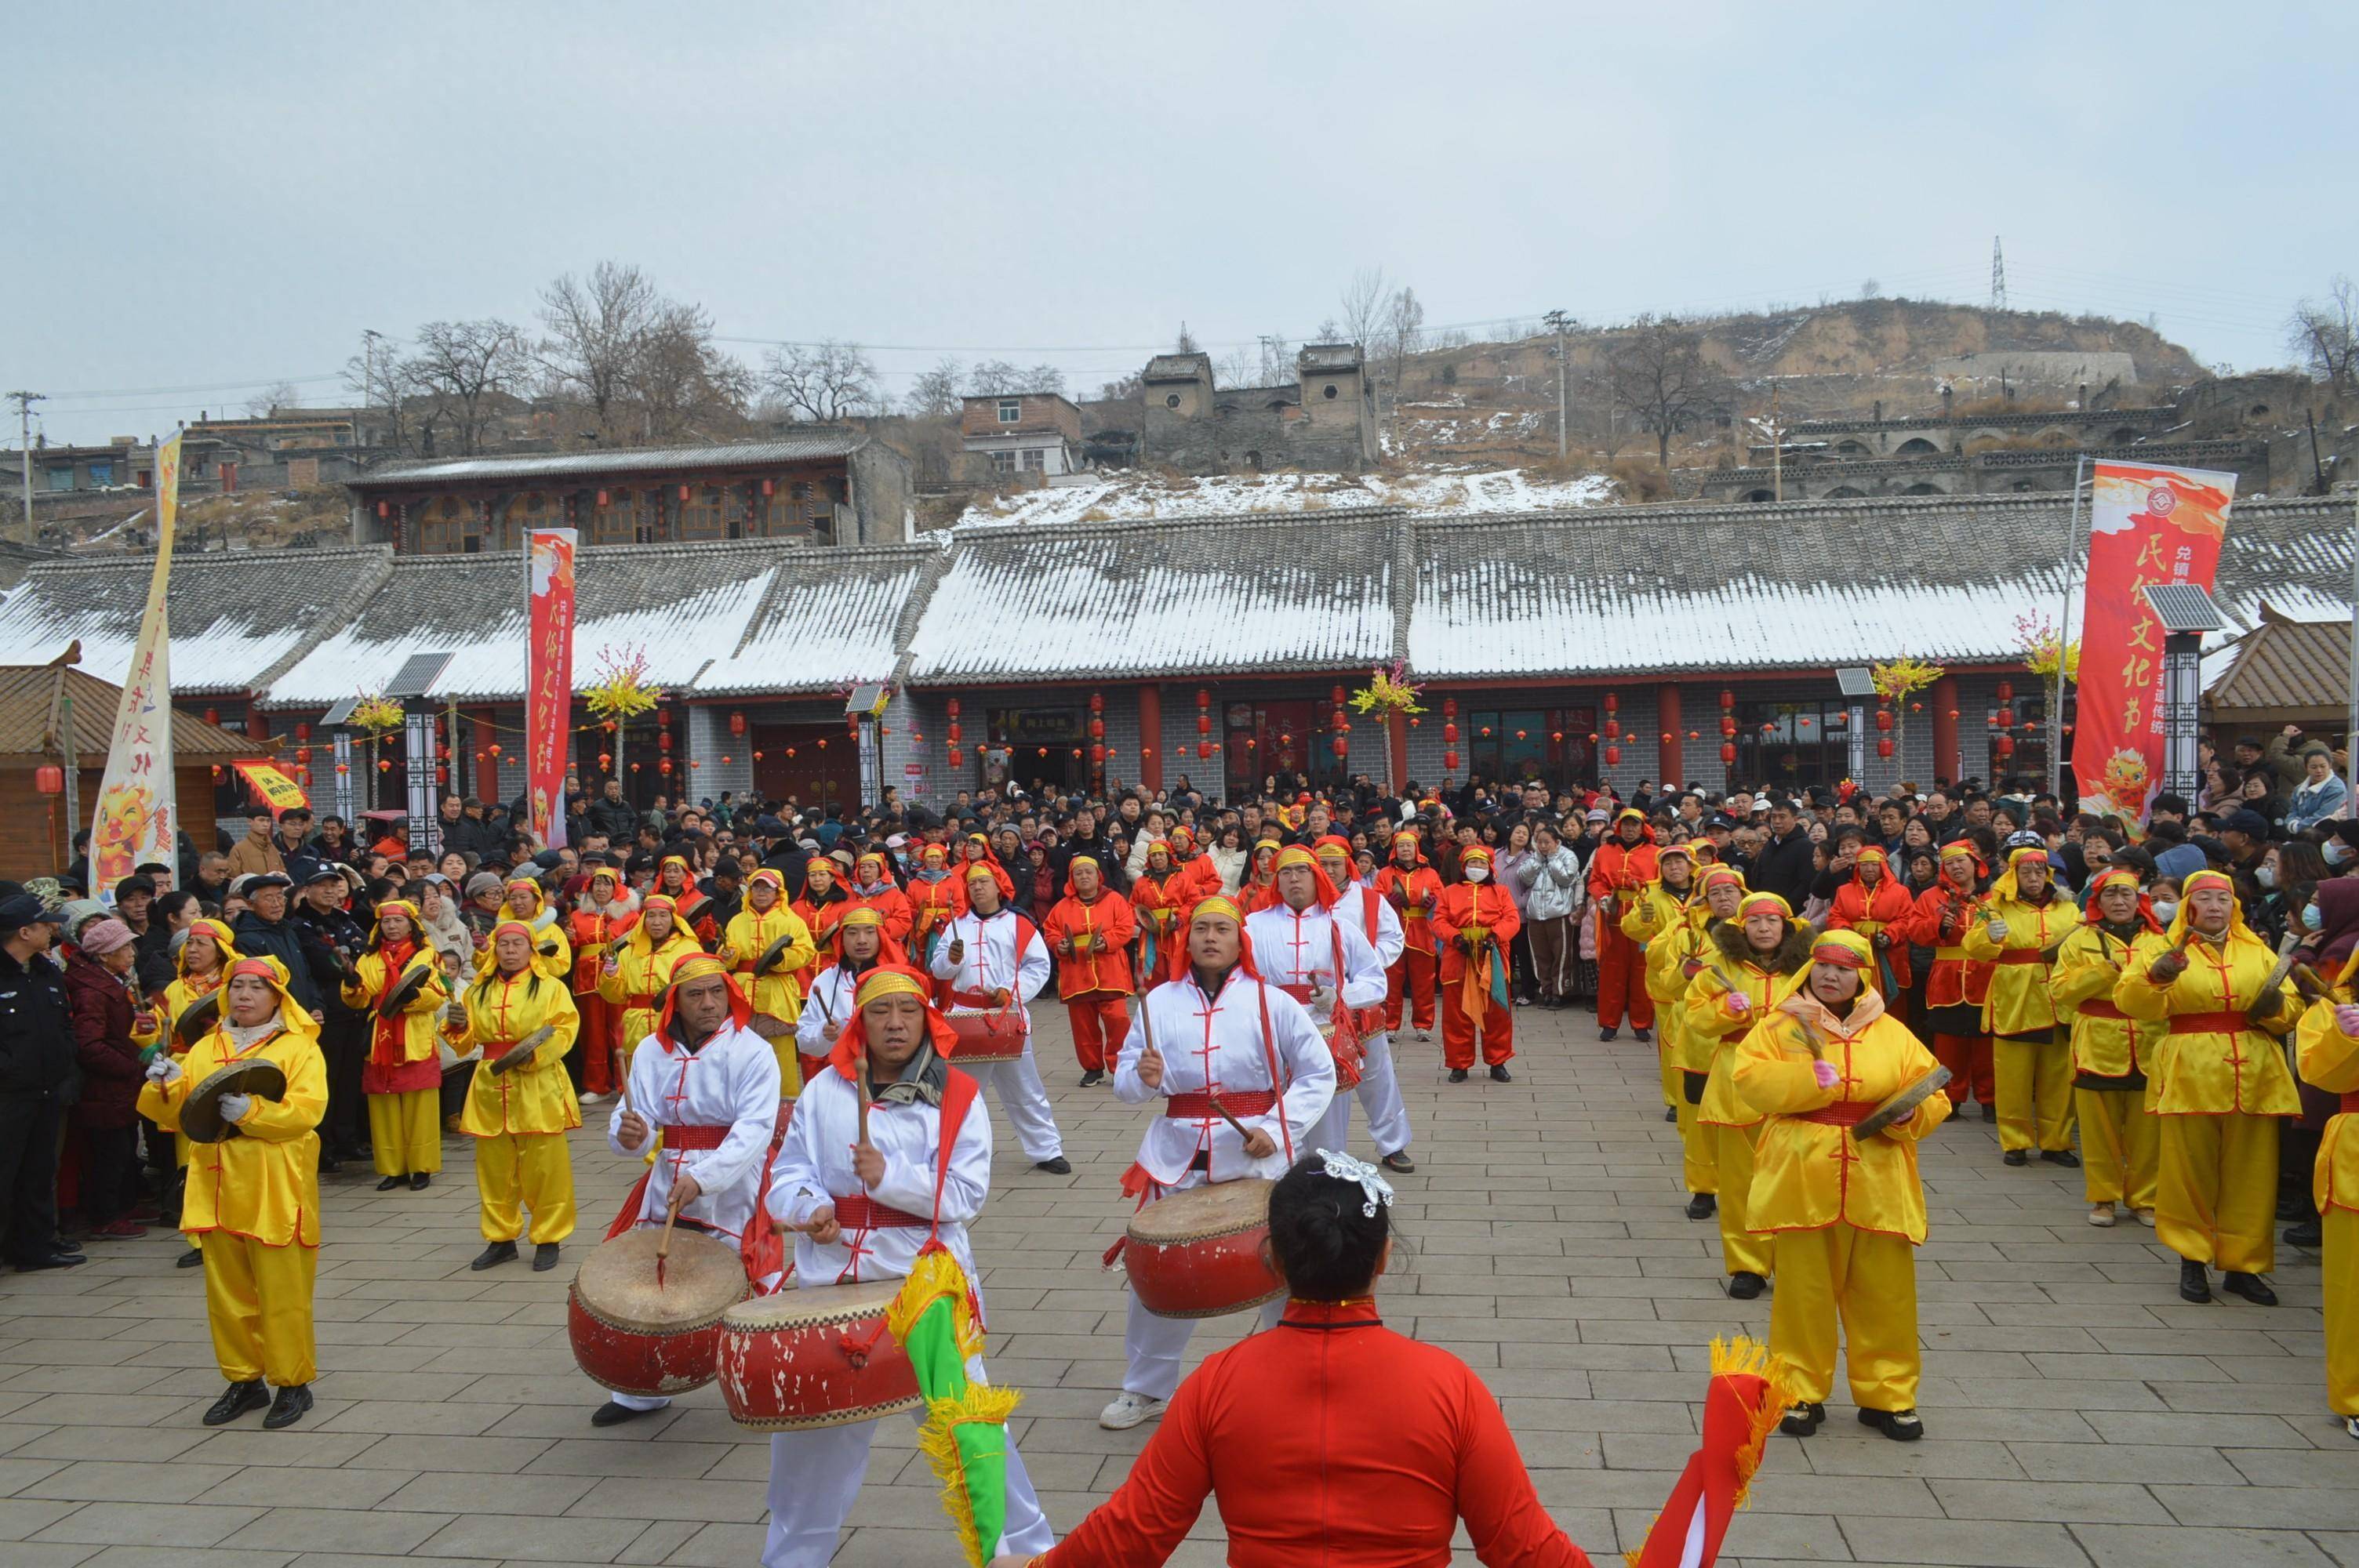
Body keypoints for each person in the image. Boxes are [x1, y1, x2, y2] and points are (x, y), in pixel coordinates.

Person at [1006, 1151, 1594, 1568]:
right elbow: (1522, 1547)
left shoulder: (1218, 1383)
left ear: (1273, 1263)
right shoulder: (1450, 1386)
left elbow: (1133, 1538)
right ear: (1384, 1258)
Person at [760, 963, 1057, 1568]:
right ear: (859, 1023)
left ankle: (1021, 1552)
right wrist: (808, 1207)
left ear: (927, 1019)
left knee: (968, 1426)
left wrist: (888, 1179)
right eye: (879, 1012)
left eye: (908, 1012)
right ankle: (792, 1558)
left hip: (927, 1286)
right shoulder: (823, 1090)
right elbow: (786, 1174)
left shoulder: (961, 1094)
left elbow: (966, 1197)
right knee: (811, 1440)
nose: (895, 1025)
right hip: (832, 1286)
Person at [1100, 896, 1336, 1432]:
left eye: (1221, 929)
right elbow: (1125, 1087)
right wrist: (1145, 1077)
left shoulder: (1271, 1001)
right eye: (1201, 929)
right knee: (1160, 1273)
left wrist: (1276, 1129)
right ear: (1187, 940)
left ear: (1239, 941)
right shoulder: (1158, 1002)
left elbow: (1317, 1071)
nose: (1210, 937)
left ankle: (1296, 1383)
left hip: (1258, 1157)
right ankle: (1145, 1388)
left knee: (1279, 1271)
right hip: (1175, 1156)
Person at [1732, 929, 1949, 1443]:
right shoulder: (1780, 1026)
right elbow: (1749, 1079)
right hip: (1804, 1173)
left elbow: (1933, 1089)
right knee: (1802, 1296)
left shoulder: (1893, 1033)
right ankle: (1797, 1392)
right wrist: (1811, 1083)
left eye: (1844, 969)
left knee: (1887, 1296)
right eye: (1824, 966)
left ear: (1863, 976)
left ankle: (1889, 1395)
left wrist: (1908, 1117)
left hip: (1879, 1175)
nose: (1831, 976)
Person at [137, 955, 326, 1428]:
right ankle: (244, 1381)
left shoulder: (300, 1048)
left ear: (278, 997)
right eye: (237, 986)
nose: (244, 995)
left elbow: (307, 1112)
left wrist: (253, 1111)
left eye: (255, 988)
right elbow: (175, 1114)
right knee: (227, 1294)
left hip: (273, 1184)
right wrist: (165, 1086)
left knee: (282, 1291)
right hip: (215, 1182)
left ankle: (292, 1382)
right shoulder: (205, 1047)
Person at [594, 953, 781, 1426]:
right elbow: (631, 1114)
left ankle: (760, 1382)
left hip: (731, 1183)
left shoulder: (752, 1050)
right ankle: (642, 1390)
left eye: (717, 992)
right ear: (675, 1003)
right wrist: (627, 1134)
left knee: (742, 1281)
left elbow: (755, 1128)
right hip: (666, 1176)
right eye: (696, 995)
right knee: (653, 1275)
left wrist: (704, 1178)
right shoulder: (650, 1052)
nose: (709, 1004)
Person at [2114, 869, 2300, 1305]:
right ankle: (2191, 1257)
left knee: (2252, 1174)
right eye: (2205, 899)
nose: (2215, 907)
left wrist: (2276, 1007)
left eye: (2223, 899)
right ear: (2188, 907)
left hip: (2254, 1073)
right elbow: (2130, 1001)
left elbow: (2289, 1009)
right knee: (2187, 1171)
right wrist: (2157, 978)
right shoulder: (2162, 948)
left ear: (2234, 907)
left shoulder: (2259, 952)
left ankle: (2243, 1264)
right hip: (2189, 1070)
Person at [1686, 890, 1810, 1299]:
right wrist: (1727, 1010)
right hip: (1736, 1077)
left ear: (1786, 925)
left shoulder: (1808, 968)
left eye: (1772, 921)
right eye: (1755, 921)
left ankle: (1794, 1261)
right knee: (1740, 1185)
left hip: (1792, 1080)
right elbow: (1696, 1018)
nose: (1763, 928)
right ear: (1742, 927)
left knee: (1794, 1181)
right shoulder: (1719, 965)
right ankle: (1747, 1266)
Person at [448, 920, 583, 1272]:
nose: (509, 950)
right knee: (494, 1170)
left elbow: (566, 1029)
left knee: (545, 1167)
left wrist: (535, 1054)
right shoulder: (478, 990)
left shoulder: (550, 987)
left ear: (531, 949)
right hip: (490, 1084)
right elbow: (465, 1042)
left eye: (516, 944)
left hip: (539, 1083)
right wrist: (458, 1026)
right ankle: (501, 1238)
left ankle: (549, 1237)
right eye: (503, 944)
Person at [1245, 846, 1387, 1157]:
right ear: (1276, 881)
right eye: (1286, 872)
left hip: (1326, 1032)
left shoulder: (1339, 926)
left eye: (1302, 871)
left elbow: (1376, 981)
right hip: (1270, 1032)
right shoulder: (1254, 926)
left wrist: (1341, 997)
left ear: (1317, 877)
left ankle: (1327, 1183)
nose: (1294, 879)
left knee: (1328, 1123)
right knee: (1272, 1116)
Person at [929, 863, 1068, 1174]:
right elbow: (939, 969)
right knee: (961, 1089)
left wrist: (1011, 991)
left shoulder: (1019, 924)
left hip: (1007, 1015)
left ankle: (1047, 1149)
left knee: (1025, 1087)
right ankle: (954, 1151)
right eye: (973, 882)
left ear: (998, 886)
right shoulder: (957, 924)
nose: (977, 887)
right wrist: (951, 960)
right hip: (965, 1016)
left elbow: (1037, 966)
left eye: (984, 882)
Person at [2049, 869, 2162, 1228]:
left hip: (2149, 1042)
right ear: (2097, 902)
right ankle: (2103, 1197)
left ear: (2138, 900)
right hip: (2097, 1043)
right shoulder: (2079, 940)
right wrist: (2103, 971)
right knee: (2100, 1131)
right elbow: (2061, 990)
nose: (2119, 901)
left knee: (2148, 1131)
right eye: (2110, 895)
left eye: (2126, 895)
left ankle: (2145, 1198)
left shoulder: (2160, 941)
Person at [1962, 846, 2080, 1170]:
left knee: (2057, 1077)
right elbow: (1972, 948)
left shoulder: (2067, 907)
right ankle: (2015, 1141)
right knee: (2013, 1077)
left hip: (2058, 998)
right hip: (2016, 998)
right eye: (2026, 872)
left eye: (2039, 871)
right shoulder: (1995, 906)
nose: (2033, 878)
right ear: (2013, 875)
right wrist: (1989, 935)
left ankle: (2056, 1142)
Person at [1313, 835, 1412, 1173]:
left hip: (1363, 1003)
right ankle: (1327, 1152)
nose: (1329, 870)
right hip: (1319, 1008)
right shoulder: (1306, 903)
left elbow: (1393, 938)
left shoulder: (1369, 899)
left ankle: (1393, 1143)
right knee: (1327, 1077)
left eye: (1335, 863)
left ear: (1348, 865)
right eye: (1322, 864)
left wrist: (1367, 966)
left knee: (1377, 1075)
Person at [340, 902, 449, 1193]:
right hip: (380, 1033)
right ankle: (393, 1169)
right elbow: (360, 999)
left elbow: (439, 995)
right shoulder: (369, 958)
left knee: (421, 1106)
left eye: (398, 921)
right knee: (383, 1105)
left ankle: (422, 1167)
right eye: (386, 921)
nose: (391, 926)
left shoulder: (428, 955)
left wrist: (414, 996)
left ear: (411, 925)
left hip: (415, 1031)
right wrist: (351, 982)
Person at [2294, 964, 2359, 1440]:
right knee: (2352, 1284)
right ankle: (2355, 1397)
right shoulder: (2330, 1006)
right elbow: (2317, 1071)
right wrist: (2349, 1038)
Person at [64, 917, 161, 1239]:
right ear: (104, 955)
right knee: (109, 1153)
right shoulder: (92, 991)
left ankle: (124, 1203)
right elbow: (89, 1045)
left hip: (119, 1087)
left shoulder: (113, 981)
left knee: (125, 1147)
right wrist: (131, 1067)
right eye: (123, 947)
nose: (131, 953)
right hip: (105, 1088)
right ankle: (105, 1216)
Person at [1904, 841, 1997, 1119]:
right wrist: (1938, 926)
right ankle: (1950, 1098)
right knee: (1948, 1043)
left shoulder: (1996, 896)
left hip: (1987, 975)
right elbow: (1915, 930)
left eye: (1961, 861)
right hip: (1946, 976)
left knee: (1986, 1043)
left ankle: (1989, 1098)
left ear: (1976, 864)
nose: (1956, 867)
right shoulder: (1932, 896)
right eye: (1950, 864)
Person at [1621, 843, 1701, 1121]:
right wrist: (1642, 920)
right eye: (1668, 863)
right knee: (1671, 1044)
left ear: (1691, 865)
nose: (1674, 867)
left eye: (1680, 862)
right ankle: (1676, 1101)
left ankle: (1704, 1094)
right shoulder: (1650, 894)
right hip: (1666, 981)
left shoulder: (1705, 890)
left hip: (1706, 980)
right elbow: (1630, 930)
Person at [1041, 855, 1136, 1087]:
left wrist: (1108, 940)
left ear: (1098, 876)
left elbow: (1126, 928)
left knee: (1118, 1020)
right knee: (1083, 1025)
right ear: (1072, 879)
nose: (1084, 877)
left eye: (1088, 872)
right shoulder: (1062, 907)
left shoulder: (1114, 900)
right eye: (1078, 873)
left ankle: (1119, 1067)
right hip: (1077, 973)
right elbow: (1051, 932)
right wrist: (1059, 945)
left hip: (1110, 971)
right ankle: (1093, 1068)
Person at [722, 868, 818, 1094]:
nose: (762, 892)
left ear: (778, 891)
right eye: (757, 886)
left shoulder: (791, 920)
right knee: (741, 1053)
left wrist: (779, 958)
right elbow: (729, 951)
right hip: (742, 991)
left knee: (780, 1056)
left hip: (778, 991)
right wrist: (728, 955)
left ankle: (783, 1111)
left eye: (768, 887)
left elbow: (806, 951)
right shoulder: (737, 920)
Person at [1432, 844, 1521, 1084]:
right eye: (1472, 863)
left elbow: (1512, 919)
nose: (1477, 867)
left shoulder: (1501, 892)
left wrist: (1495, 936)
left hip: (1492, 955)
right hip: (1458, 956)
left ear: (1490, 867)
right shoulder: (1449, 892)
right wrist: (1455, 938)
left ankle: (1498, 1062)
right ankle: (1459, 1065)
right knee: (1457, 1014)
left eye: (1481, 863)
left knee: (1497, 1013)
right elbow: (1439, 920)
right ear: (1464, 867)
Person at [598, 894, 702, 1085]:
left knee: (675, 1082)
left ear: (673, 920)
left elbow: (698, 989)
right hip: (636, 1026)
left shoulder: (689, 948)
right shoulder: (629, 951)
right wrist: (610, 977)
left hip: (674, 1023)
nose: (656, 922)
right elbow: (615, 996)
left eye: (663, 915)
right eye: (651, 916)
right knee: (640, 1083)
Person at [565, 866, 637, 1102]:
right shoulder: (577, 916)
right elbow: (572, 951)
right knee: (592, 1033)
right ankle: (596, 1085)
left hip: (617, 976)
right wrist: (569, 939)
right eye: (598, 884)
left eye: (607, 884)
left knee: (620, 1031)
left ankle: (627, 1083)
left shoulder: (629, 915)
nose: (602, 888)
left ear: (617, 888)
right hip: (587, 980)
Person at [1588, 808, 1659, 1043]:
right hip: (1613, 914)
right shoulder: (1605, 851)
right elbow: (1595, 880)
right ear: (1619, 827)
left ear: (1642, 827)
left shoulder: (1655, 853)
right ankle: (1609, 1023)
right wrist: (1603, 897)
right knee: (1612, 970)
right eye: (1626, 824)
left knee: (1642, 969)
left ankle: (1642, 1023)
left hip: (1642, 916)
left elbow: (1660, 884)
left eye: (1635, 825)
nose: (1630, 829)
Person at [1373, 830, 1442, 1040]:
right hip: (1393, 932)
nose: (1405, 849)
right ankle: (1390, 1025)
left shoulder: (1430, 874)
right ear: (1395, 849)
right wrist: (1387, 899)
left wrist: (1435, 901)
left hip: (1423, 931)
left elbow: (1443, 897)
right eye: (1401, 846)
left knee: (1424, 983)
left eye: (1409, 846)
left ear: (1416, 849)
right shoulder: (1385, 873)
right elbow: (1374, 899)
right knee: (1392, 981)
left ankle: (1423, 1026)